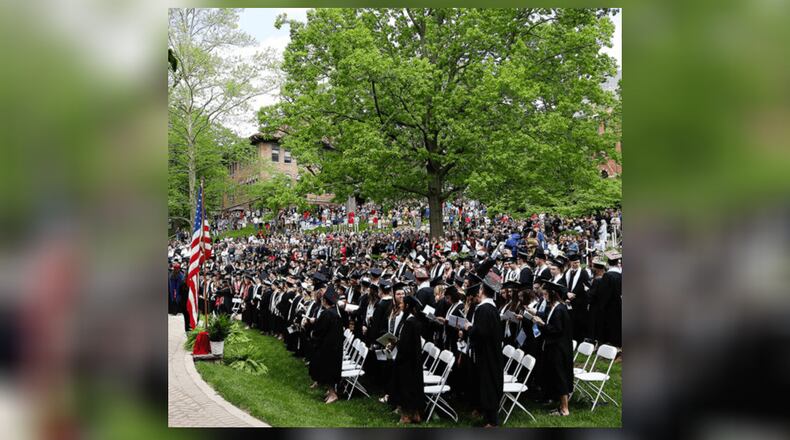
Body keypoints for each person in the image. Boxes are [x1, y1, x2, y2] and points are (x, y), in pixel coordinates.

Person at [464, 274, 504, 427]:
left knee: (488, 385)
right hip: (490, 352)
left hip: (487, 354)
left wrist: (469, 328)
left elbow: (481, 333)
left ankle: (492, 421)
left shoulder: (484, 309)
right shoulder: (491, 308)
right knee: (487, 383)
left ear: (482, 290)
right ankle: (488, 417)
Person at [532, 280, 574, 417]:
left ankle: (565, 409)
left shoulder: (560, 309)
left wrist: (541, 324)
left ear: (552, 294)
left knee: (561, 378)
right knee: (556, 377)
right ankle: (560, 406)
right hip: (554, 347)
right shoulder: (554, 307)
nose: (544, 297)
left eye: (545, 294)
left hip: (559, 349)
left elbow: (556, 329)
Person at [388, 293, 425, 424]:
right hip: (412, 361)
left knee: (406, 388)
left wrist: (395, 343)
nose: (400, 304)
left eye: (403, 303)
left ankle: (406, 416)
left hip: (406, 362)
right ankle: (415, 414)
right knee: (412, 387)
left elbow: (405, 345)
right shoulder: (413, 321)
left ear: (408, 305)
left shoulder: (410, 322)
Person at [307, 273, 343, 404]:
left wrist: (313, 334)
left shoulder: (327, 314)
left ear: (324, 300)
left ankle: (333, 395)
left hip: (328, 348)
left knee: (328, 373)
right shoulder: (334, 313)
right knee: (330, 372)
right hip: (334, 348)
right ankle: (331, 393)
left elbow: (318, 330)